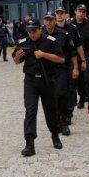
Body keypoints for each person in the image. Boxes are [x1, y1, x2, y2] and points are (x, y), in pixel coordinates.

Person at [13, 19, 66, 156]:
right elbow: (16, 61)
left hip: (47, 81)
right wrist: (18, 57)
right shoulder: (24, 43)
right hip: (30, 81)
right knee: (30, 111)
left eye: (34, 31)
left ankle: (55, 134)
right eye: (29, 31)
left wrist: (44, 55)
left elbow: (61, 59)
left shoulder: (50, 41)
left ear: (40, 29)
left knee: (50, 111)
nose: (32, 34)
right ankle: (29, 143)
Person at [42, 11, 76, 136]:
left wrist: (76, 67)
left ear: (55, 21)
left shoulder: (64, 34)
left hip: (61, 68)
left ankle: (64, 121)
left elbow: (72, 52)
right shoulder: (40, 34)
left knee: (61, 93)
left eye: (51, 19)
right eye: (47, 19)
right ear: (44, 21)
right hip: (46, 70)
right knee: (51, 96)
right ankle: (55, 122)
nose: (49, 22)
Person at [71, 4, 89, 115]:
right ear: (75, 12)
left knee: (88, 79)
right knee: (78, 80)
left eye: (83, 11)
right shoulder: (70, 25)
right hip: (74, 55)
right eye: (79, 11)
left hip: (88, 54)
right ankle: (81, 98)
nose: (81, 13)